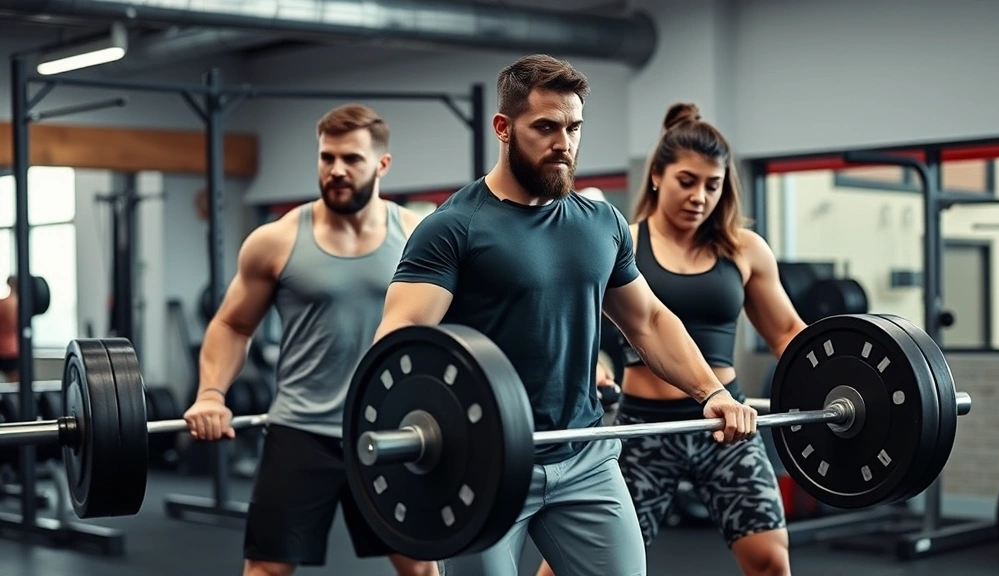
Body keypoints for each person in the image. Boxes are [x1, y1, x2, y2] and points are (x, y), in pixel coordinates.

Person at [372, 54, 757, 576]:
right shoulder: (453, 228)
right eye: (546, 127)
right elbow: (400, 344)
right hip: (487, 461)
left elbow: (648, 321)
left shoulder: (601, 223)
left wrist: (710, 392)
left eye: (574, 127)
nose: (564, 143)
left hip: (586, 456)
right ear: (504, 128)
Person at [540, 103, 807, 576]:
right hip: (644, 429)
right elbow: (578, 325)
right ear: (658, 176)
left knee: (771, 562)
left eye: (712, 184)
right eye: (688, 181)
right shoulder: (621, 241)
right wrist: (594, 367)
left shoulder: (745, 249)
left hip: (729, 424)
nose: (699, 197)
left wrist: (835, 377)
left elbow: (788, 332)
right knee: (572, 568)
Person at [182, 104, 438, 576]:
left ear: (382, 165)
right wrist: (211, 394)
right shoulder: (276, 240)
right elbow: (232, 325)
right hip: (301, 429)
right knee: (267, 569)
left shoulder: (420, 237)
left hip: (392, 427)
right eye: (327, 157)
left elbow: (469, 322)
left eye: (352, 159)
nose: (336, 170)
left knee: (421, 567)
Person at [0, 277, 19, 383]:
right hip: (12, 350)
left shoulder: (2, 303)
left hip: (7, 349)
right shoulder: (20, 305)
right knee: (15, 387)